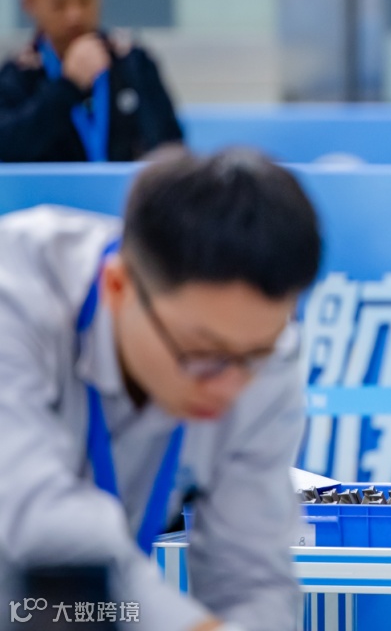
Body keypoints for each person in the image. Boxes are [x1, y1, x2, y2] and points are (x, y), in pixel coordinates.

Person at [0, 148, 322, 631]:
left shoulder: (265, 358)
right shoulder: (16, 296)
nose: (231, 387)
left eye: (257, 354)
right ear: (117, 288)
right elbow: (42, 524)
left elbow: (253, 575)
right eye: (204, 353)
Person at [0, 0, 183, 162]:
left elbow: (170, 147)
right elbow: (7, 147)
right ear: (29, 3)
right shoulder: (18, 74)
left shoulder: (132, 61)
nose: (75, 15)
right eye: (59, 4)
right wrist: (66, 88)